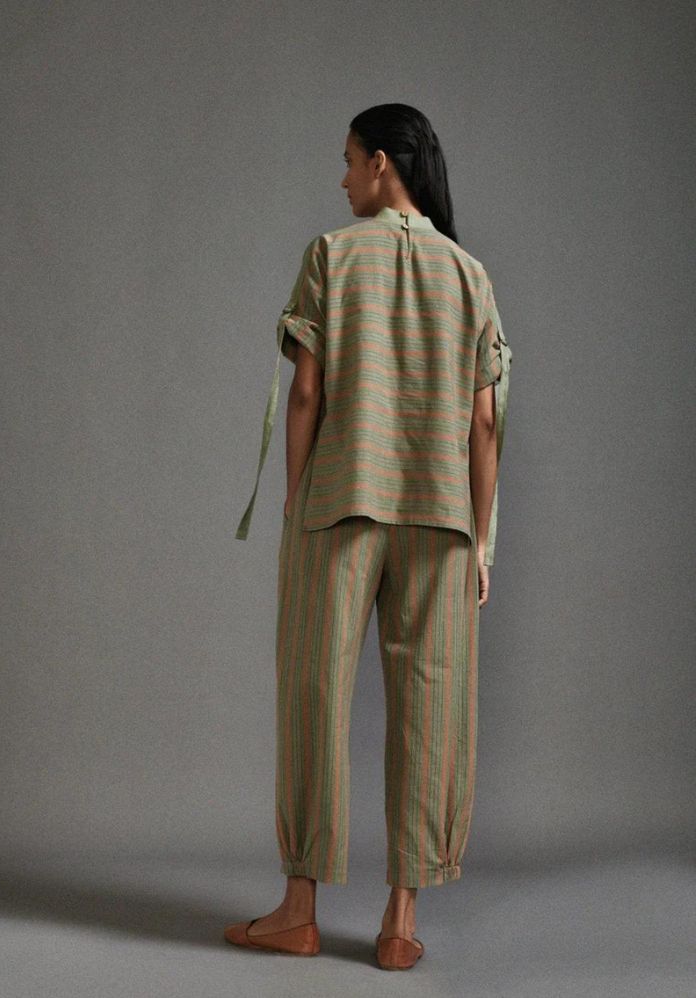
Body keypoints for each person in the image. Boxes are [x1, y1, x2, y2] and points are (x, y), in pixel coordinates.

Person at [226, 103, 512, 970]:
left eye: (349, 159)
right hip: (442, 519)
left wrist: (293, 499)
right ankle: (399, 924)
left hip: (340, 506)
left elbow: (306, 394)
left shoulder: (332, 255)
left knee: (313, 696)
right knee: (432, 709)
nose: (343, 177)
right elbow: (485, 425)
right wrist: (483, 545)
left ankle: (299, 912)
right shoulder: (470, 275)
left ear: (382, 163)